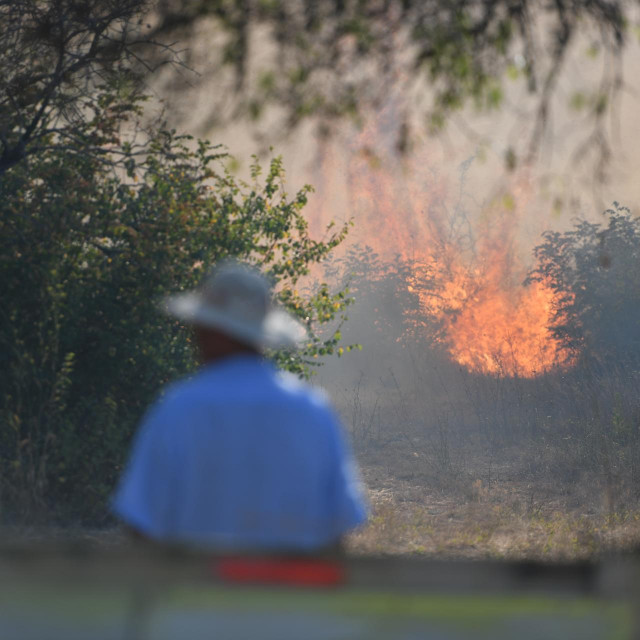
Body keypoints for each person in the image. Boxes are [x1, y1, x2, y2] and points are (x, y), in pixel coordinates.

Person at [111, 261, 367, 551]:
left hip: (195, 594)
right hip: (290, 595)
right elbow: (338, 533)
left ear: (212, 331)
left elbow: (140, 528)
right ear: (261, 334)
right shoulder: (312, 410)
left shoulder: (178, 409)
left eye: (200, 325)